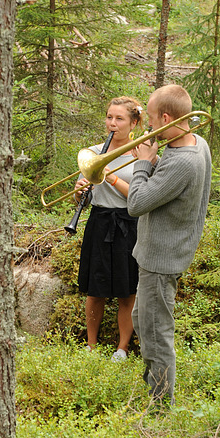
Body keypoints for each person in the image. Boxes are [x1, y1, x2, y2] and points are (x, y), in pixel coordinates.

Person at [127, 84, 212, 405]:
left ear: (165, 117)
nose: (148, 127)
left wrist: (143, 163)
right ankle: (152, 387)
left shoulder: (183, 161)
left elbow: (136, 203)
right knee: (143, 321)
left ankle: (159, 409)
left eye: (150, 120)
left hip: (161, 259)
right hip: (164, 252)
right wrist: (155, 159)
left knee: (156, 336)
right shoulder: (196, 142)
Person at [75, 96, 143, 358]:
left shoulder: (141, 153)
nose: (112, 123)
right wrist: (79, 192)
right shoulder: (92, 153)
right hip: (100, 222)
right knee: (96, 289)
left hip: (129, 224)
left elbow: (140, 195)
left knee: (128, 291)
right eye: (109, 117)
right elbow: (84, 195)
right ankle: (91, 345)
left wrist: (111, 177)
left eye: (119, 118)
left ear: (133, 123)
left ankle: (122, 348)